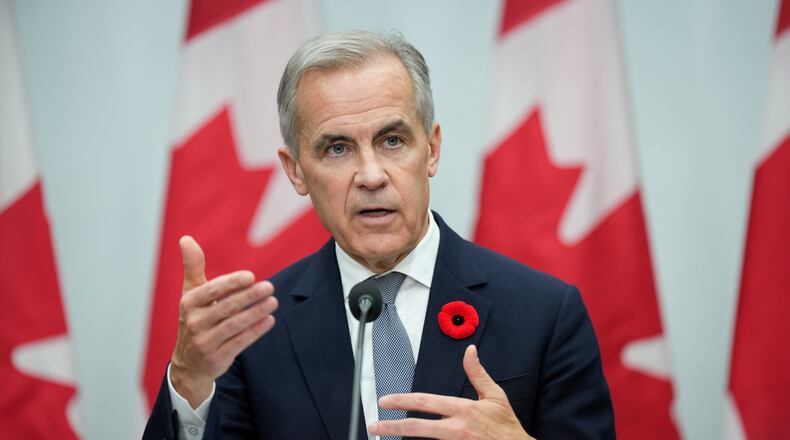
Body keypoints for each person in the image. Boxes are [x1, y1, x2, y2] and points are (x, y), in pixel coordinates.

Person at [143, 30, 614, 440]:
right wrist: (188, 379)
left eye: (393, 141)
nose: (371, 175)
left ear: (431, 149)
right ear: (295, 172)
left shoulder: (545, 314)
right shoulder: (255, 334)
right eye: (337, 148)